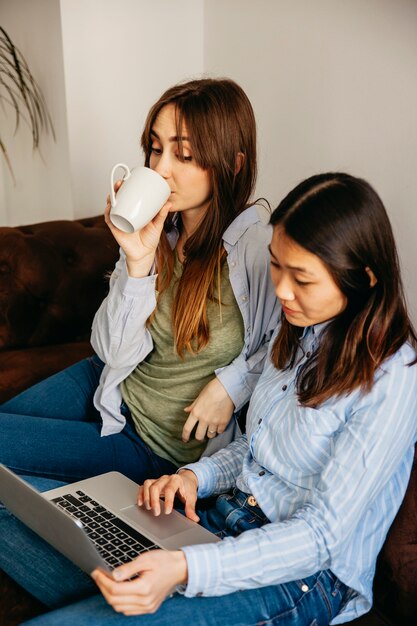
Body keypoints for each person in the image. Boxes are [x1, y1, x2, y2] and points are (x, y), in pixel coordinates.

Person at [0, 171, 416, 626]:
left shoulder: (394, 379)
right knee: (21, 508)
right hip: (217, 527)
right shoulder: (299, 330)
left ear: (366, 277)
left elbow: (321, 538)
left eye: (302, 278)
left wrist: (183, 568)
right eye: (276, 264)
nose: (281, 290)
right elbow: (259, 451)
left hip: (298, 580)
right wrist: (195, 477)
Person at [0, 78, 279, 484]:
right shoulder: (157, 228)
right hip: (109, 380)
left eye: (183, 154)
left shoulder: (258, 249)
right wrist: (137, 262)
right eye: (156, 148)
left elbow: (288, 347)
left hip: (150, 446)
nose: (160, 168)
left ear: (232, 165)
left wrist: (231, 386)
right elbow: (110, 349)